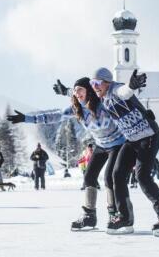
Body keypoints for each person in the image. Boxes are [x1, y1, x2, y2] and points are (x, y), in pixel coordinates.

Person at [8, 77, 125, 230]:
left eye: (80, 90)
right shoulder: (76, 108)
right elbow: (54, 116)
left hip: (117, 143)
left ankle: (114, 214)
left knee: (109, 178)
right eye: (75, 92)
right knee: (89, 177)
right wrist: (26, 118)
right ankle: (89, 216)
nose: (77, 94)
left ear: (89, 90)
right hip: (101, 145)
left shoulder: (102, 102)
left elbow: (119, 97)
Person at [90, 67, 159, 236]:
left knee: (142, 176)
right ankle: (125, 218)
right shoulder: (101, 95)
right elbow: (81, 92)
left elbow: (124, 92)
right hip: (132, 140)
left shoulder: (115, 90)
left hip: (148, 136)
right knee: (118, 174)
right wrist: (66, 91)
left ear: (107, 82)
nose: (95, 87)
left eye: (98, 83)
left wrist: (131, 85)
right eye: (93, 84)